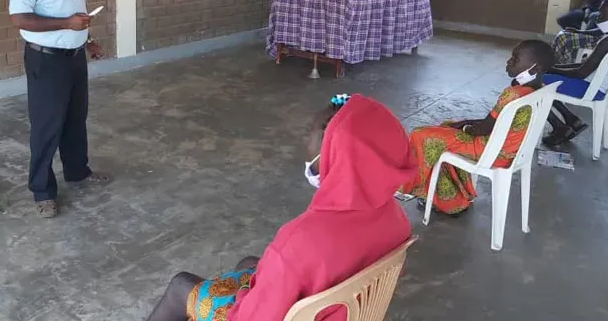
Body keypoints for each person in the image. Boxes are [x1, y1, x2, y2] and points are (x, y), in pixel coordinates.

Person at [145, 94, 417, 321]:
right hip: (342, 312)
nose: (305, 143)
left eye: (309, 134)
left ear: (335, 151)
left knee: (181, 285)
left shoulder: (299, 241)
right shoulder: (396, 218)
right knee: (249, 264)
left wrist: (246, 296)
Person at [9, 0, 109, 218]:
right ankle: (42, 191)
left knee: (75, 120)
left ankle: (77, 171)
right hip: (47, 60)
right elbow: (20, 18)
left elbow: (70, 10)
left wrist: (85, 40)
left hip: (74, 57)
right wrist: (67, 25)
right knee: (47, 126)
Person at [399, 40, 555, 215]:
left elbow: (483, 129)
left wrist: (465, 128)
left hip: (491, 151)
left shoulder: (512, 94)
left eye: (516, 58)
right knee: (446, 127)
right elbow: (499, 120)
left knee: (421, 135)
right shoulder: (538, 90)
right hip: (510, 150)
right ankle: (451, 198)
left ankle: (428, 193)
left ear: (535, 68)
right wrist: (465, 123)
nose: (509, 61)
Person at [542, 0, 608, 147]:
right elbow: (583, 67)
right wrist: (551, 68)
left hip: (589, 88)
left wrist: (550, 69)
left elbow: (580, 73)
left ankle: (560, 128)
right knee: (543, 76)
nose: (598, 18)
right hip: (597, 86)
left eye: (603, 15)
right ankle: (571, 119)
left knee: (534, 81)